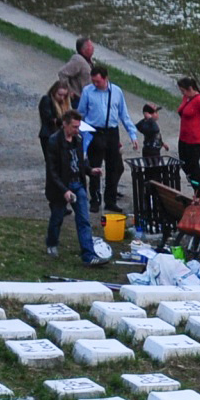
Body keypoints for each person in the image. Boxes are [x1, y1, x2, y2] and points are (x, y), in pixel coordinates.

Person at [43, 111, 105, 266]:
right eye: (74, 126)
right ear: (65, 124)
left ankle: (88, 255)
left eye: (78, 127)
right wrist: (64, 190)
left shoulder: (78, 140)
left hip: (77, 184)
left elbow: (80, 162)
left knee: (84, 220)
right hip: (60, 187)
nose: (77, 130)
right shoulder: (53, 142)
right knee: (57, 217)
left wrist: (90, 170)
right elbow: (52, 171)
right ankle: (51, 243)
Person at [75, 65, 136, 212]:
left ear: (105, 78)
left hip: (112, 132)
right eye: (93, 81)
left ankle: (110, 200)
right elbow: (81, 113)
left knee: (113, 168)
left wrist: (132, 134)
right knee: (94, 167)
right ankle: (95, 200)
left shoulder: (117, 92)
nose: (95, 84)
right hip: (94, 131)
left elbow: (124, 115)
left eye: (98, 81)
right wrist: (80, 131)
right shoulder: (88, 91)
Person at [37, 80, 72, 173]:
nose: (62, 98)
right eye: (59, 95)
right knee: (52, 163)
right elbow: (48, 118)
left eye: (64, 95)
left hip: (59, 134)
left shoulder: (64, 104)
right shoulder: (47, 100)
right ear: (54, 92)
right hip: (49, 134)